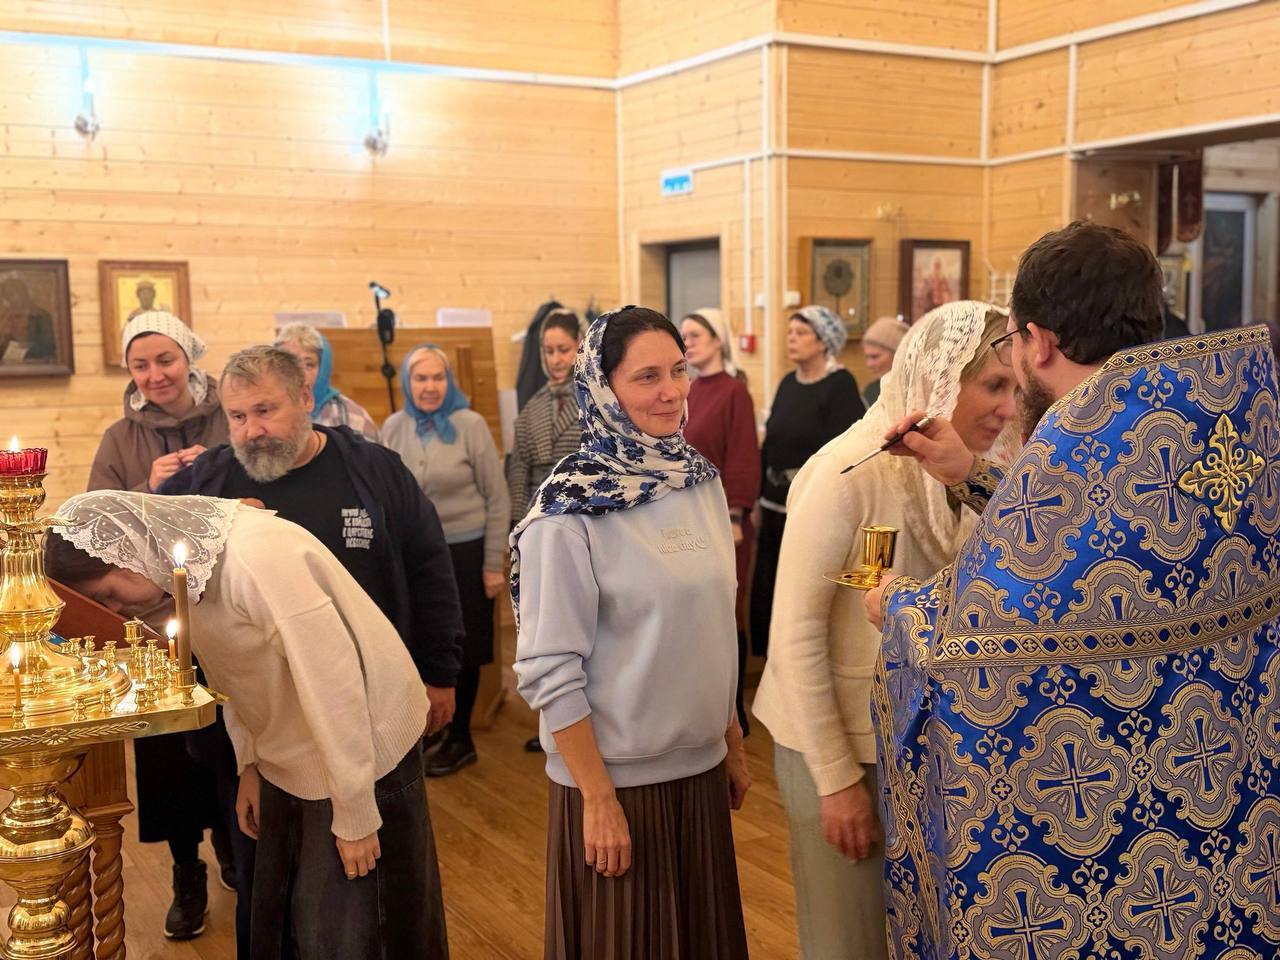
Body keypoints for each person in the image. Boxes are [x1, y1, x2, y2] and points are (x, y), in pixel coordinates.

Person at [866, 221, 1280, 959]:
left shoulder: (1076, 438)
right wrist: (975, 476)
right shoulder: (1208, 422)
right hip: (1218, 803)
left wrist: (898, 603)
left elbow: (983, 639)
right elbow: (1093, 549)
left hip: (1107, 834)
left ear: (1040, 342)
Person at [46, 492, 450, 959]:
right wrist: (251, 766)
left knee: (355, 930)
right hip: (296, 751)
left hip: (364, 754)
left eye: (109, 595)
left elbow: (336, 688)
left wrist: (357, 815)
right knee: (293, 923)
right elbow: (232, 676)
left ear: (128, 551)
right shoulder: (185, 574)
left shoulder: (258, 559)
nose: (117, 610)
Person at [160, 344, 464, 955]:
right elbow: (164, 563)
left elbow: (430, 568)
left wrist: (440, 671)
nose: (252, 430)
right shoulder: (211, 481)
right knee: (271, 885)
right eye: (238, 416)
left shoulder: (373, 471)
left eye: (265, 411)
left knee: (382, 883)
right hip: (264, 734)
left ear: (306, 399)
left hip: (374, 715)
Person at [752, 302, 1017, 960]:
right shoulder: (848, 473)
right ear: (939, 383)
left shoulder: (974, 475)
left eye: (1015, 388)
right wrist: (836, 780)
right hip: (842, 746)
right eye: (994, 386)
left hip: (923, 748)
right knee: (848, 943)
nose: (1008, 408)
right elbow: (795, 635)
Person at [512, 306, 750, 960]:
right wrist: (597, 797)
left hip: (699, 773)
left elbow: (713, 626)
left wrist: (729, 738)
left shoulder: (697, 479)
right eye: (647, 377)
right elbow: (548, 668)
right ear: (603, 389)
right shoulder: (569, 508)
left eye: (678, 370)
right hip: (614, 785)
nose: (671, 391)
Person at [86, 309, 230, 941]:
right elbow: (95, 527)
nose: (154, 375)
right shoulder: (120, 438)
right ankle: (185, 871)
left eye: (165, 360)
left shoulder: (227, 417)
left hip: (226, 609)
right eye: (140, 365)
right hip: (154, 624)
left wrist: (214, 469)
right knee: (169, 756)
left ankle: (235, 846)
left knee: (231, 739)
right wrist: (147, 487)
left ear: (189, 358)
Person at [381, 346, 510, 776]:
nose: (430, 386)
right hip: (414, 554)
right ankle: (431, 727)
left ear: (448, 381)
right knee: (420, 638)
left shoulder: (470, 424)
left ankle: (461, 738)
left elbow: (497, 497)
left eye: (438, 377)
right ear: (408, 383)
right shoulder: (393, 427)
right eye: (421, 378)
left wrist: (493, 564)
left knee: (464, 644)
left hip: (465, 552)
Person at [750, 305, 865, 658]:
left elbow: (845, 452)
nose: (792, 339)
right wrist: (757, 497)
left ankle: (799, 661)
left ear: (823, 341)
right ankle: (772, 663)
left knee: (800, 591)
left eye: (801, 333)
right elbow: (770, 443)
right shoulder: (788, 382)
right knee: (770, 586)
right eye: (790, 332)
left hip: (812, 507)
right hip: (774, 503)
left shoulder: (840, 385)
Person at [680, 307, 760, 734]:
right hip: (686, 518)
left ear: (718, 339)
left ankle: (734, 710)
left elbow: (743, 457)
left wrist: (735, 514)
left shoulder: (734, 392)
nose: (688, 342)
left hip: (725, 521)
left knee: (728, 613)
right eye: (684, 336)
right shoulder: (687, 389)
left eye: (695, 334)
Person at [508, 309, 583, 524]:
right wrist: (519, 526)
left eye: (563, 350)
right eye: (549, 351)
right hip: (538, 516)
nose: (555, 359)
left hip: (583, 512)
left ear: (580, 345)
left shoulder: (595, 400)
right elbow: (520, 474)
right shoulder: (532, 407)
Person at [274, 323, 380, 439]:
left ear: (323, 370)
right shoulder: (265, 412)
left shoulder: (349, 415)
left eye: (309, 364)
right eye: (290, 363)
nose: (300, 373)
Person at [0, 277, 55, 362]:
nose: (11, 299)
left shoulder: (41, 316)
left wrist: (26, 347)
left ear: (23, 293)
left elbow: (48, 347)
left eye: (13, 294)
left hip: (35, 363)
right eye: (7, 296)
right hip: (10, 364)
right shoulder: (6, 316)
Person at [860, 315, 910, 406]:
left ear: (898, 355)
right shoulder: (871, 391)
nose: (869, 364)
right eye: (867, 357)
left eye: (875, 357)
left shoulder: (915, 391)